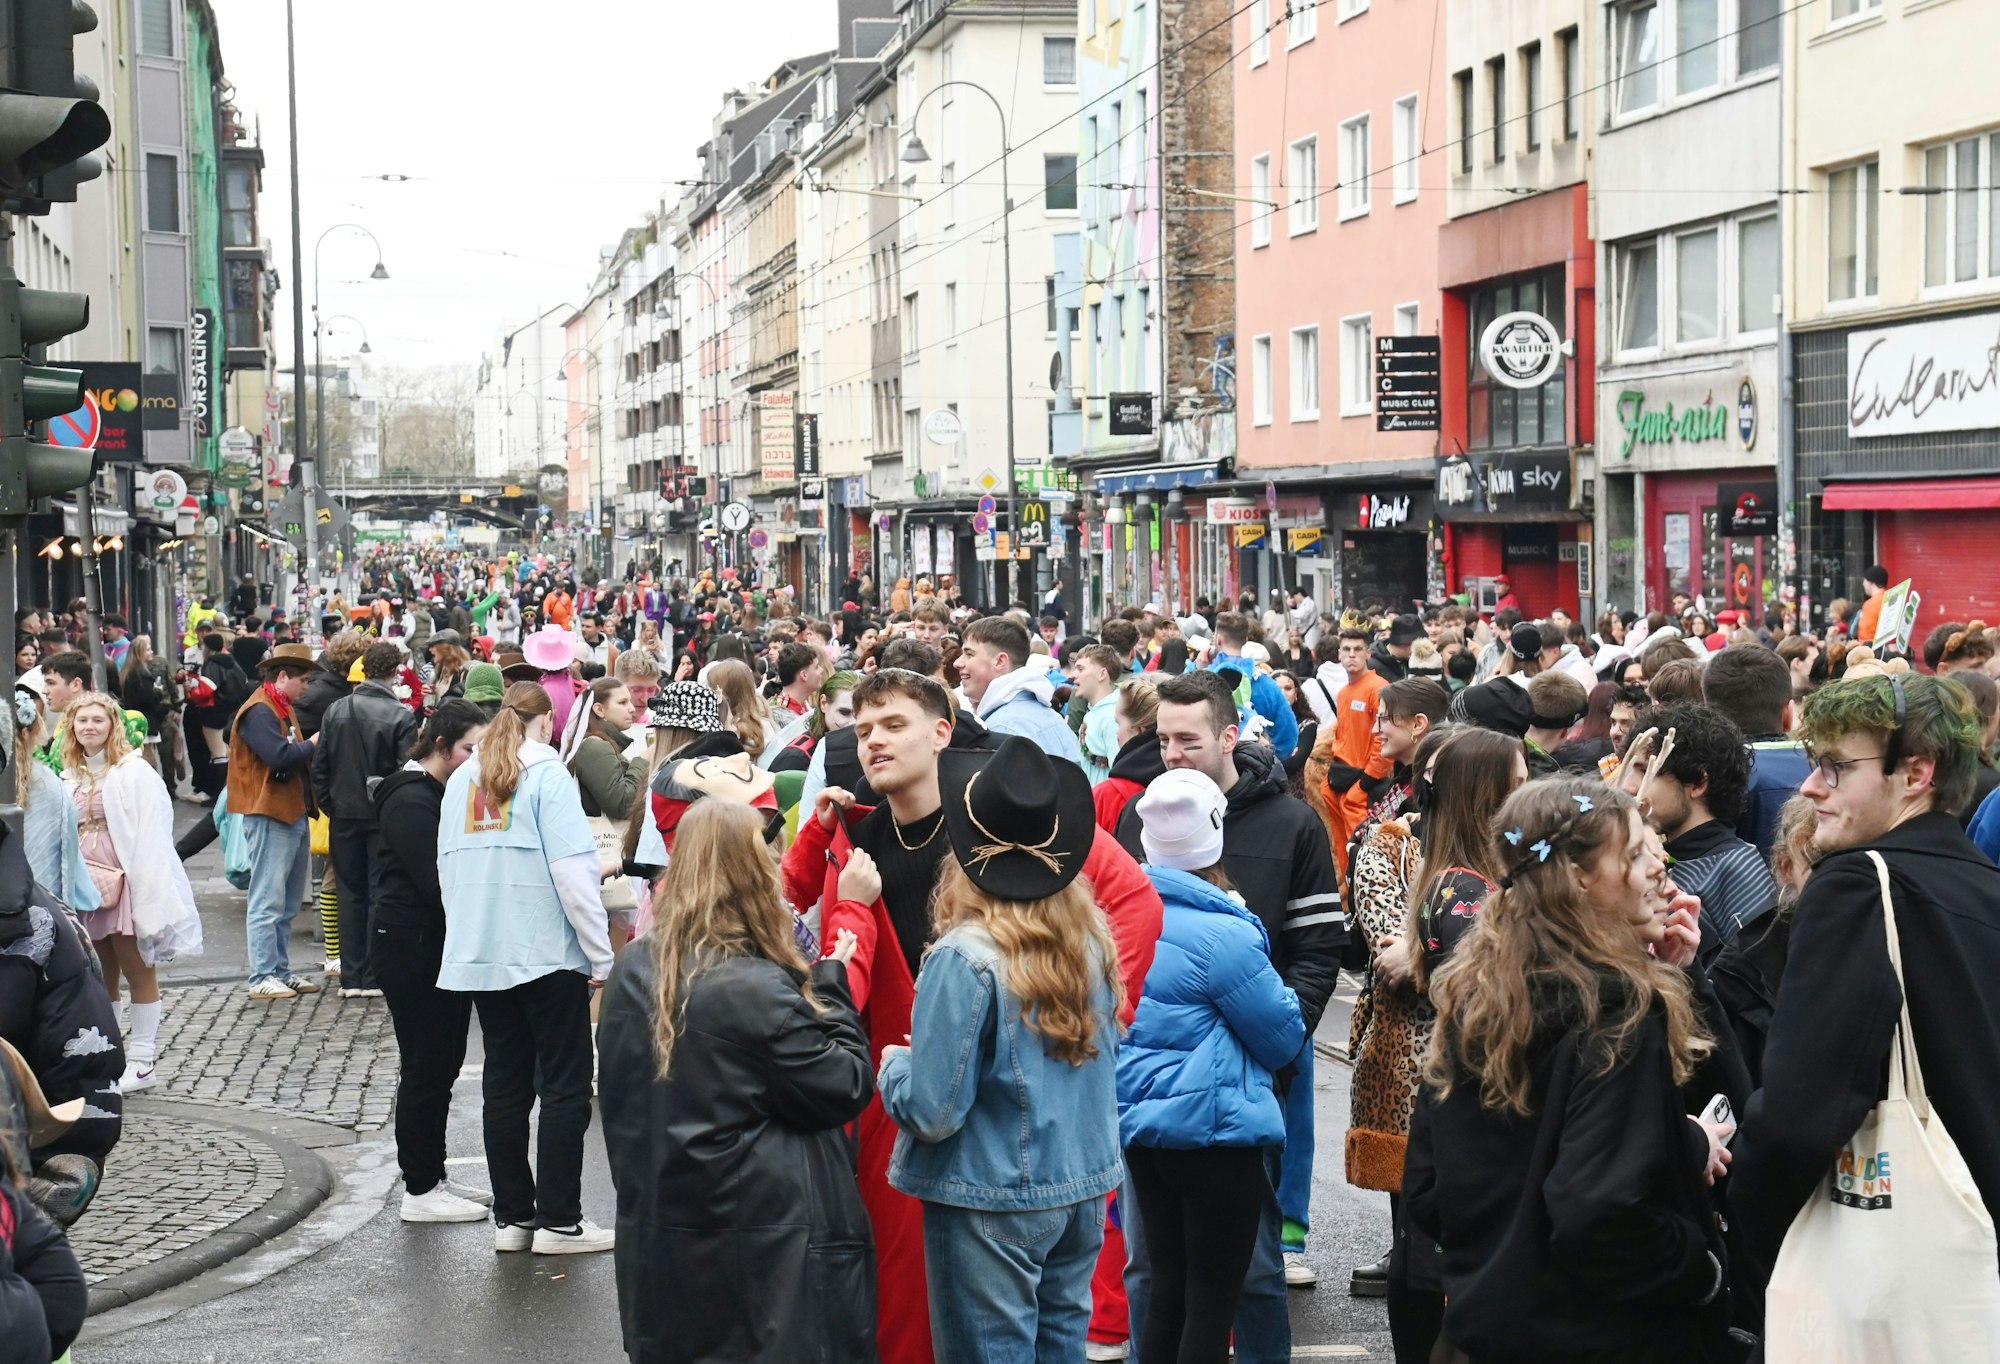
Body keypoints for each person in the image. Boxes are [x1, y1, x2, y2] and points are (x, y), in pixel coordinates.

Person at [783, 670, 1161, 1364]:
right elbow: (793, 915)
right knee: (911, 1304)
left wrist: (1085, 1021)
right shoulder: (856, 834)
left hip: (983, 1129)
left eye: (893, 724)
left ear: (941, 733)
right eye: (862, 730)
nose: (873, 741)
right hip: (907, 1106)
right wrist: (820, 840)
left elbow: (1135, 903)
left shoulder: (1002, 816)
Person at [1405, 778, 1732, 1364]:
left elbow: (1432, 1190)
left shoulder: (1477, 999)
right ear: (1580, 876)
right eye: (1635, 853)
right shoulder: (1617, 1011)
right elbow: (1596, 1209)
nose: (1658, 868)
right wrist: (1699, 1271)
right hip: (1598, 1337)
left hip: (1483, 1331)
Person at [1731, 674, 2000, 1293]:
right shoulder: (1986, 885)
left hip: (1891, 1264)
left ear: (1916, 774)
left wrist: (1746, 1229)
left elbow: (1801, 1108)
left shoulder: (1855, 887)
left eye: (1835, 767)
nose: (1809, 786)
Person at [877, 736, 1127, 1364]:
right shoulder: (1090, 941)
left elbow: (934, 1111)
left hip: (989, 1195)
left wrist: (896, 1066)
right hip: (1079, 1186)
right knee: (1060, 1349)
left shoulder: (964, 956)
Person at [1115, 669, 1342, 1357]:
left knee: (1254, 1273)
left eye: (1188, 740)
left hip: (1249, 1082)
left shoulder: (1291, 823)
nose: (1173, 754)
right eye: (1163, 740)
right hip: (1161, 1096)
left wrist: (1285, 1043)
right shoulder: (1142, 816)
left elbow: (1317, 947)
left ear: (1228, 736)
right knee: (1157, 1273)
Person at [598, 802, 875, 1364]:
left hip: (664, 1246)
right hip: (761, 1258)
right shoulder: (754, 987)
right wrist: (833, 986)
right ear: (754, 875)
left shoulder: (634, 968)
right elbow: (844, 1083)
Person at [1121, 769, 1305, 1364]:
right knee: (1211, 1303)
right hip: (1217, 1133)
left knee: (1167, 1292)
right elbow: (1282, 1036)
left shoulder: (1119, 920)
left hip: (1143, 1130)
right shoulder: (1226, 935)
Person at [437, 682, 614, 1254]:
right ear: (548, 722)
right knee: (564, 1086)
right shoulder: (547, 774)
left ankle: (513, 1218)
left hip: (484, 948)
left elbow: (447, 868)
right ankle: (560, 1220)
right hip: (545, 950)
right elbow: (574, 872)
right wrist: (599, 951)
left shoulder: (463, 778)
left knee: (506, 1085)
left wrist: (469, 933)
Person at [371, 700, 495, 1225]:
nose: (477, 760)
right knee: (426, 1066)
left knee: (441, 1064)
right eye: (470, 749)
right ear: (441, 746)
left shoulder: (435, 791)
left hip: (429, 943)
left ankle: (433, 1175)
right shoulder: (410, 798)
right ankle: (420, 1188)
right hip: (411, 945)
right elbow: (436, 879)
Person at [57, 692, 200, 1094]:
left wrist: (148, 891)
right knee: (99, 971)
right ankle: (109, 1052)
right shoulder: (69, 774)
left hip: (125, 879)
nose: (89, 727)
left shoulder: (133, 772)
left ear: (112, 725)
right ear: (71, 727)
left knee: (136, 967)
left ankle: (142, 1059)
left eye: (97, 720)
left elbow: (152, 834)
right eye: (82, 720)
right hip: (86, 883)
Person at [313, 642, 419, 1000]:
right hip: (380, 815)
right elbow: (405, 772)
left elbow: (321, 766)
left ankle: (351, 975)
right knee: (378, 893)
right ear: (394, 672)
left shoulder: (336, 710)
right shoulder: (400, 715)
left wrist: (331, 804)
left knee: (349, 894)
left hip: (344, 813)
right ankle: (372, 975)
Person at [230, 643, 324, 1000]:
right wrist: (312, 744)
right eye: (304, 680)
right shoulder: (260, 710)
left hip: (288, 810)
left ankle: (280, 971)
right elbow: (278, 756)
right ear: (283, 676)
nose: (307, 688)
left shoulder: (277, 706)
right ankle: (262, 975)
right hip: (270, 813)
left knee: (285, 903)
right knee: (268, 901)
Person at [956, 616, 1085, 765]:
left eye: (969, 654)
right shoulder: (1050, 717)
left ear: (1000, 661)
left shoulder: (1002, 728)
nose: (957, 663)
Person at [1204, 612, 1299, 761]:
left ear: (1218, 639)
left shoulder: (1201, 680)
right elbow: (1288, 735)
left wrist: (1194, 667)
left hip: (1210, 765)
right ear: (1246, 640)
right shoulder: (1266, 684)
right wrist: (1269, 759)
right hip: (1254, 767)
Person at [1094, 674, 1164, 834]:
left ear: (1139, 730)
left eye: (1118, 723)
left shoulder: (1106, 796)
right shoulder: (1197, 783)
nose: (1116, 733)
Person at [1072, 643, 1123, 786]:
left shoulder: (1112, 717)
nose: (1073, 675)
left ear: (1102, 674)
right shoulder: (1096, 712)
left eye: (1080, 669)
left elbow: (1118, 774)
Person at [1853, 563, 1889, 644]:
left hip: (1872, 647)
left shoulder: (1870, 604)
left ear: (1871, 582)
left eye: (1864, 581)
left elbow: (1866, 633)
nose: (1863, 584)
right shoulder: (1891, 598)